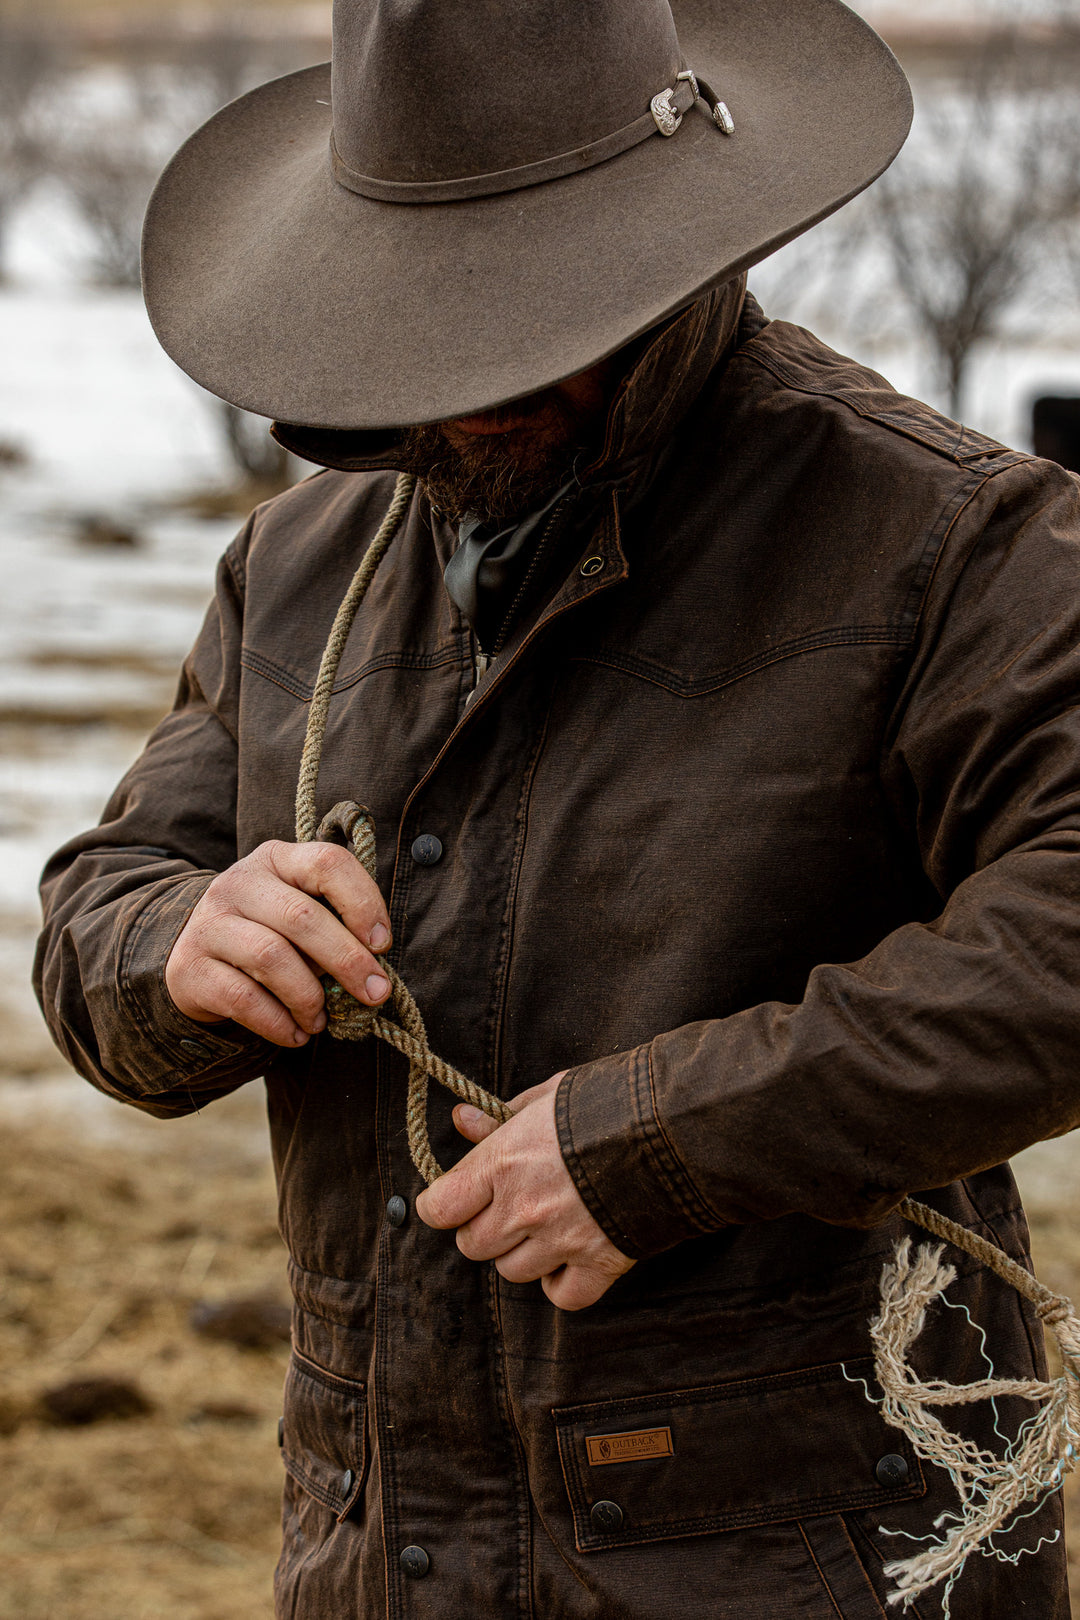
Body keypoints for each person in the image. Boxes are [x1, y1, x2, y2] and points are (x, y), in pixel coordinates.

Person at [33, 1, 1080, 1615]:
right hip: (382, 1554)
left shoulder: (949, 541)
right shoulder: (294, 568)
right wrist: (176, 946)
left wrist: (670, 1142)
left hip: (814, 1557)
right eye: (433, 311)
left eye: (533, 307)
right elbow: (106, 899)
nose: (472, 379)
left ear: (674, 250)